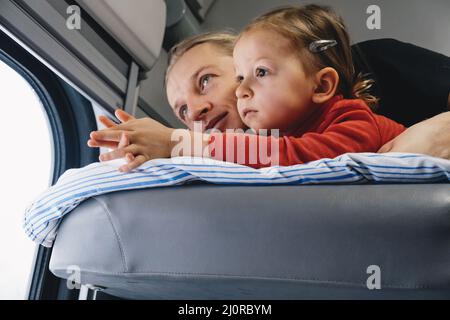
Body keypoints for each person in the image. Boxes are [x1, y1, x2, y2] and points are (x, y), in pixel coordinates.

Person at [88, 14, 450, 172]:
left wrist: (179, 142)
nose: (195, 111)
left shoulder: (368, 75)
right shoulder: (260, 152)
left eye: (206, 81)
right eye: (181, 112)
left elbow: (292, 155)